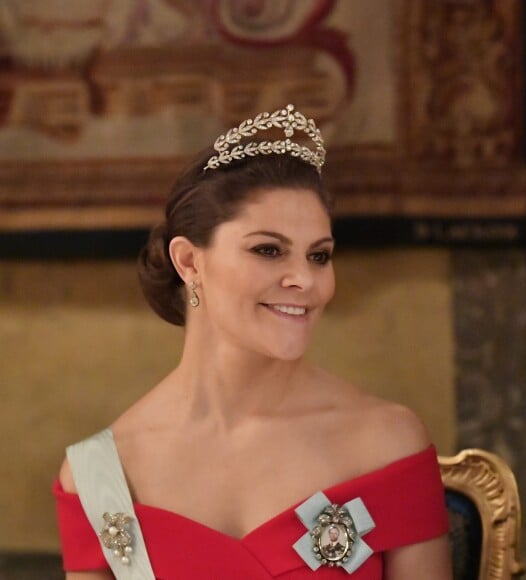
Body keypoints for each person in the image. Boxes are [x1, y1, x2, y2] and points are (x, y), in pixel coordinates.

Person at [53, 104, 452, 579]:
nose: (304, 279)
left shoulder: (386, 442)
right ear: (189, 262)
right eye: (268, 250)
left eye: (320, 256)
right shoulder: (101, 475)